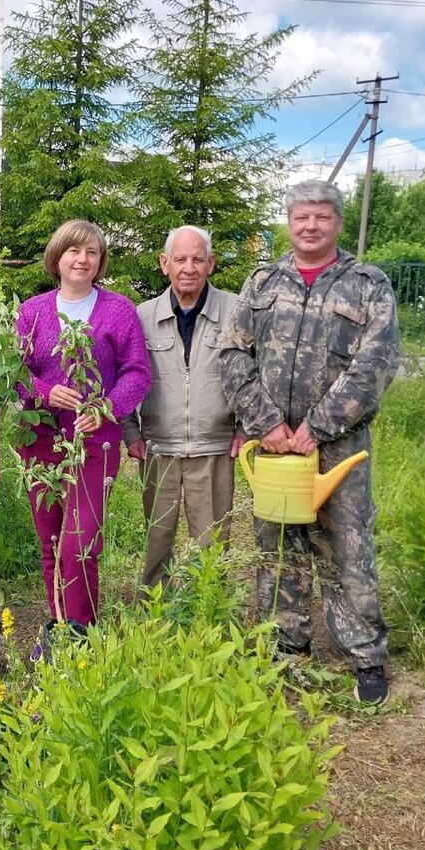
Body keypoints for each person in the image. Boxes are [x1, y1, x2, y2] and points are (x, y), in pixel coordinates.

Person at [218, 179, 399, 705]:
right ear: (289, 222)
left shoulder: (368, 284)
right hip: (274, 448)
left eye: (322, 217)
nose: (311, 226)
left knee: (348, 549)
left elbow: (375, 366)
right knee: (276, 550)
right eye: (302, 217)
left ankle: (365, 656)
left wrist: (315, 428)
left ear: (338, 223)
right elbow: (234, 354)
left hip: (338, 448)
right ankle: (284, 648)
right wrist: (266, 423)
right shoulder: (263, 281)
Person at [17, 220, 151, 629]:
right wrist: (43, 392)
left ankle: (82, 631)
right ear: (57, 256)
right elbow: (17, 373)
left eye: (92, 252)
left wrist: (107, 406)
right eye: (74, 250)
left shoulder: (118, 310)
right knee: (52, 541)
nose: (83, 259)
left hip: (96, 442)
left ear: (100, 261)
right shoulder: (32, 311)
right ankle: (59, 625)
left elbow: (137, 371)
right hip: (43, 442)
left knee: (80, 543)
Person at [121, 225, 241, 589]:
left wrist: (246, 427)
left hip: (215, 446)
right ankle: (155, 616)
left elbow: (257, 374)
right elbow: (124, 377)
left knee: (212, 543)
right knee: (158, 541)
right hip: (159, 448)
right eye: (180, 259)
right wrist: (130, 432)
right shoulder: (141, 317)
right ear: (164, 263)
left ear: (211, 264)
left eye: (197, 259)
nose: (188, 268)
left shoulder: (237, 311)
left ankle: (208, 613)